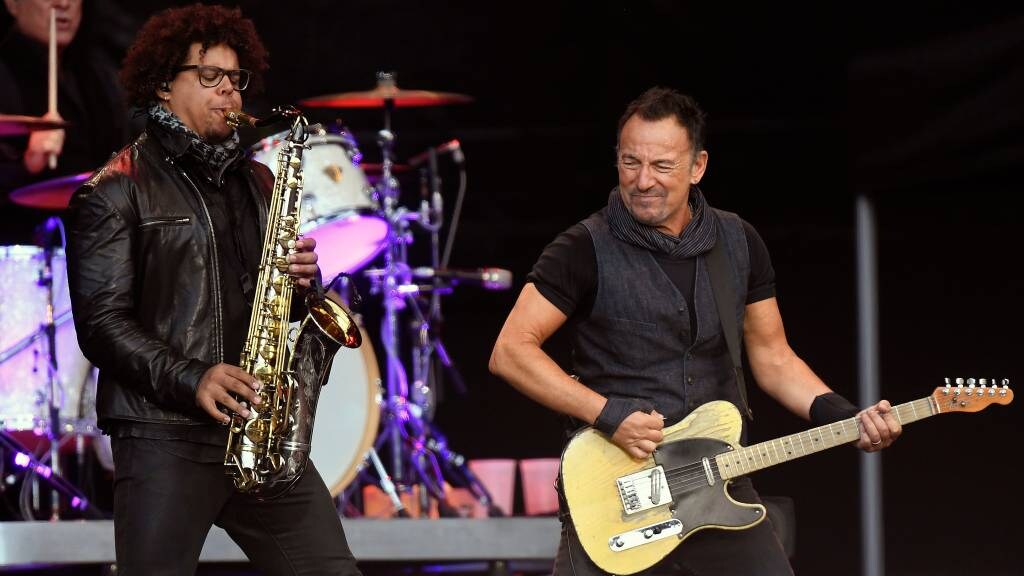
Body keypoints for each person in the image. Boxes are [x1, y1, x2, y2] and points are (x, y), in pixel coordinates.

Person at [488, 87, 903, 575]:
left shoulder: (738, 241)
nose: (643, 181)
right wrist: (607, 413)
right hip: (619, 488)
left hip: (720, 481)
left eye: (662, 166)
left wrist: (846, 417)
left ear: (698, 166)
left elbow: (772, 358)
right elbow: (510, 351)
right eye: (630, 163)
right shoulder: (582, 247)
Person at [65, 4, 361, 575]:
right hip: (163, 436)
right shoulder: (113, 191)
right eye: (209, 77)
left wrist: (303, 284)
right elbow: (102, 326)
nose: (229, 93)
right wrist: (193, 377)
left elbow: (270, 298)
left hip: (258, 429)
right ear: (161, 86)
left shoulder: (257, 180)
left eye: (236, 79)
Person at [0, 0, 131, 183]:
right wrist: (26, 165)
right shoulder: (5, 75)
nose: (63, 3)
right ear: (12, 4)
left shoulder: (98, 76)